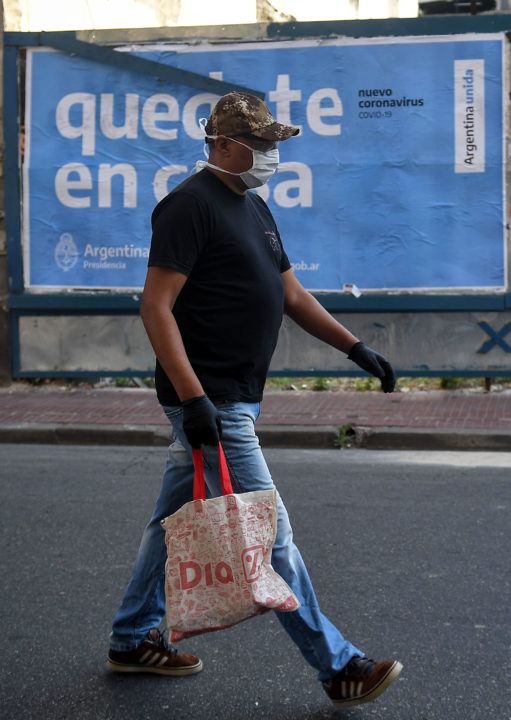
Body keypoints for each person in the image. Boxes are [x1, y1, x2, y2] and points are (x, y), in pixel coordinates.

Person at [105, 91, 402, 709]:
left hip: (233, 398)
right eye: (259, 144)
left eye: (273, 144)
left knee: (171, 524)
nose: (269, 154)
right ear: (220, 144)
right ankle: (339, 664)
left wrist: (355, 348)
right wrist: (193, 401)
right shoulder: (187, 206)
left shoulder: (254, 206)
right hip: (210, 400)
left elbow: (290, 294)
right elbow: (155, 307)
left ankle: (132, 639)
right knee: (270, 535)